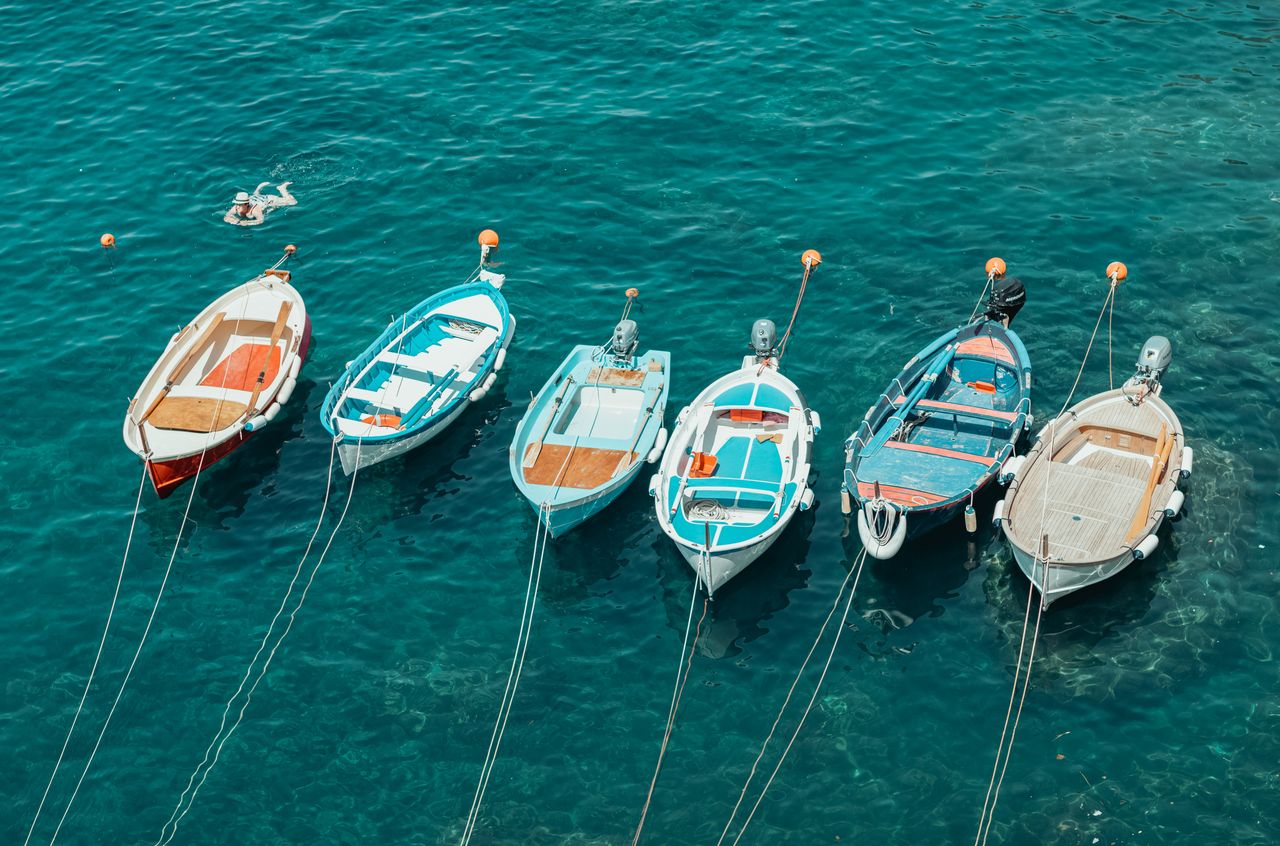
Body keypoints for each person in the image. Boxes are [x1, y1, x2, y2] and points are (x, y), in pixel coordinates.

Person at [224, 181, 296, 226]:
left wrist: (247, 223)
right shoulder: (236, 207)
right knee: (255, 196)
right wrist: (234, 221)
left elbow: (260, 220)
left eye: (240, 204)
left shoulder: (255, 210)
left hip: (268, 200)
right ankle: (258, 190)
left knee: (293, 202)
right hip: (254, 198)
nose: (237, 206)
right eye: (236, 203)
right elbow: (226, 217)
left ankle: (282, 188)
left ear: (246, 204)